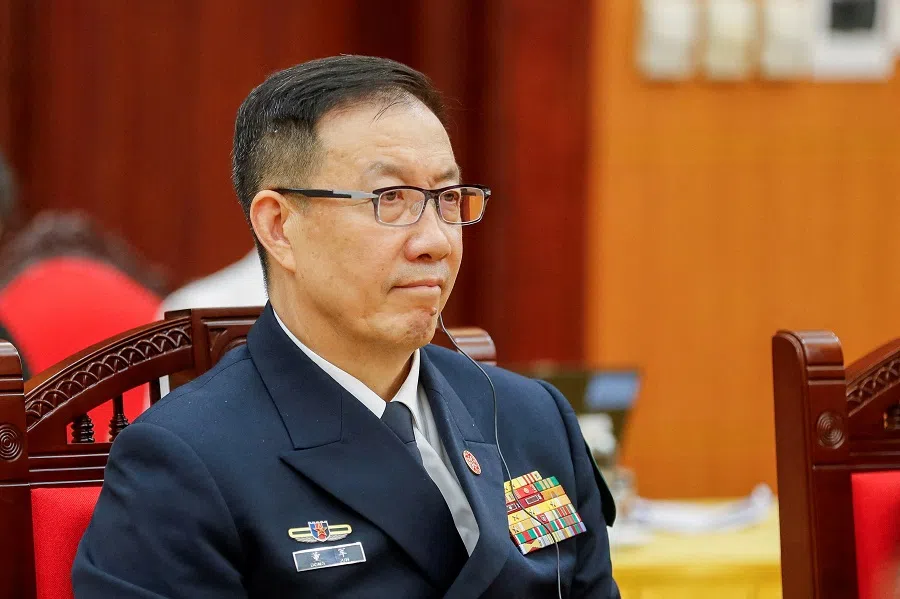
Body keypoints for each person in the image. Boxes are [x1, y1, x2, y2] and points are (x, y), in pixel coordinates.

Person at [72, 55, 618, 598]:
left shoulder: (533, 418)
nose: (436, 241)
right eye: (391, 199)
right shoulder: (184, 461)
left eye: (447, 199)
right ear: (280, 226)